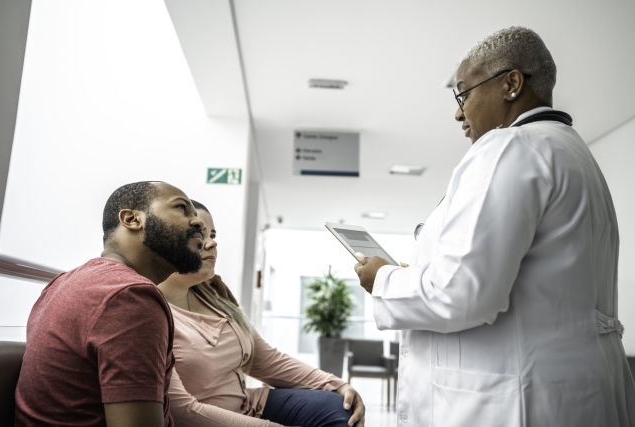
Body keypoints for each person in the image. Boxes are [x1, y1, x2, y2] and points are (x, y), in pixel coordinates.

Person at [353, 26, 635, 427]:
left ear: (511, 84)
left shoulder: (511, 148)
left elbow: (463, 292)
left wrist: (383, 279)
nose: (458, 111)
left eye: (463, 93)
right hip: (572, 392)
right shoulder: (574, 154)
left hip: (513, 403)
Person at [158, 200, 366, 427]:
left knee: (338, 407)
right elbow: (182, 411)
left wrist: (337, 385)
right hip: (207, 419)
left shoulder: (215, 297)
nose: (212, 243)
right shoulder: (153, 312)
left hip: (248, 406)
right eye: (198, 233)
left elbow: (266, 360)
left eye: (213, 234)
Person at [15, 181, 206, 427]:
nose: (199, 221)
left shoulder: (64, 281)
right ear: (132, 219)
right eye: (182, 208)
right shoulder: (130, 297)